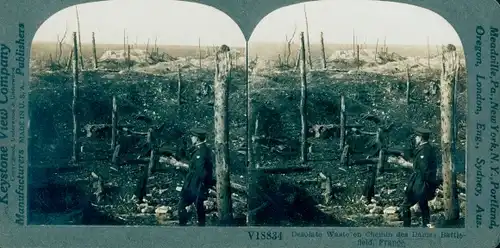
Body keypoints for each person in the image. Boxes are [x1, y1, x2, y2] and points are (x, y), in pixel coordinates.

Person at [399, 127, 438, 228]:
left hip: (420, 183)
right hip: (423, 183)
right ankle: (426, 225)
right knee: (423, 204)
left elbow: (422, 169)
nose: (416, 138)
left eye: (417, 137)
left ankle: (406, 228)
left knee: (405, 205)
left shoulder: (424, 150)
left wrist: (405, 164)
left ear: (420, 138)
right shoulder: (428, 148)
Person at [178, 128, 215, 226]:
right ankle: (200, 228)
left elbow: (201, 171)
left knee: (182, 206)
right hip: (197, 185)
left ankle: (181, 229)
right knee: (199, 208)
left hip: (194, 185)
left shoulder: (200, 152)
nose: (191, 138)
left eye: (192, 137)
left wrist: (201, 186)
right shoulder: (204, 149)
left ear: (197, 138)